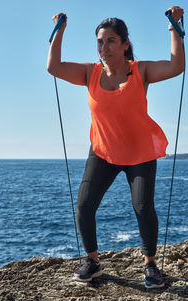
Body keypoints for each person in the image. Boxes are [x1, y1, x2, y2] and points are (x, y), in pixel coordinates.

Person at [47, 6, 184, 289]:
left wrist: (174, 27)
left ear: (125, 44)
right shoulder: (90, 73)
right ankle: (93, 262)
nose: (104, 46)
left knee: (143, 206)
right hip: (103, 151)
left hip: (139, 152)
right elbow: (54, 67)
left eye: (110, 40)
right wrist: (59, 30)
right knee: (84, 206)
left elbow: (176, 66)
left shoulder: (140, 70)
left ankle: (150, 265)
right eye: (100, 41)